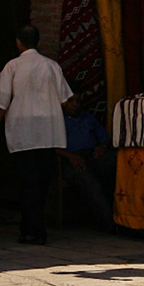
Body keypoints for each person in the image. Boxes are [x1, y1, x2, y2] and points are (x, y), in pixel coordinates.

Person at [0, 25, 73, 245]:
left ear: (18, 42)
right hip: (47, 132)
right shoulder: (52, 66)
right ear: (38, 42)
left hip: (22, 131)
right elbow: (65, 101)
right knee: (42, 182)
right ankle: (35, 227)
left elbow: (1, 102)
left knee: (27, 183)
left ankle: (31, 230)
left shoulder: (13, 66)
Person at [59, 96, 114, 230]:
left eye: (77, 101)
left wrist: (101, 147)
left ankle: (130, 217)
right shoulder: (57, 120)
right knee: (90, 182)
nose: (75, 105)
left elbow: (104, 138)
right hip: (70, 160)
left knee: (116, 162)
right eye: (70, 101)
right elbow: (48, 147)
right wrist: (70, 156)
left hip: (92, 155)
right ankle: (110, 224)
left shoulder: (87, 117)